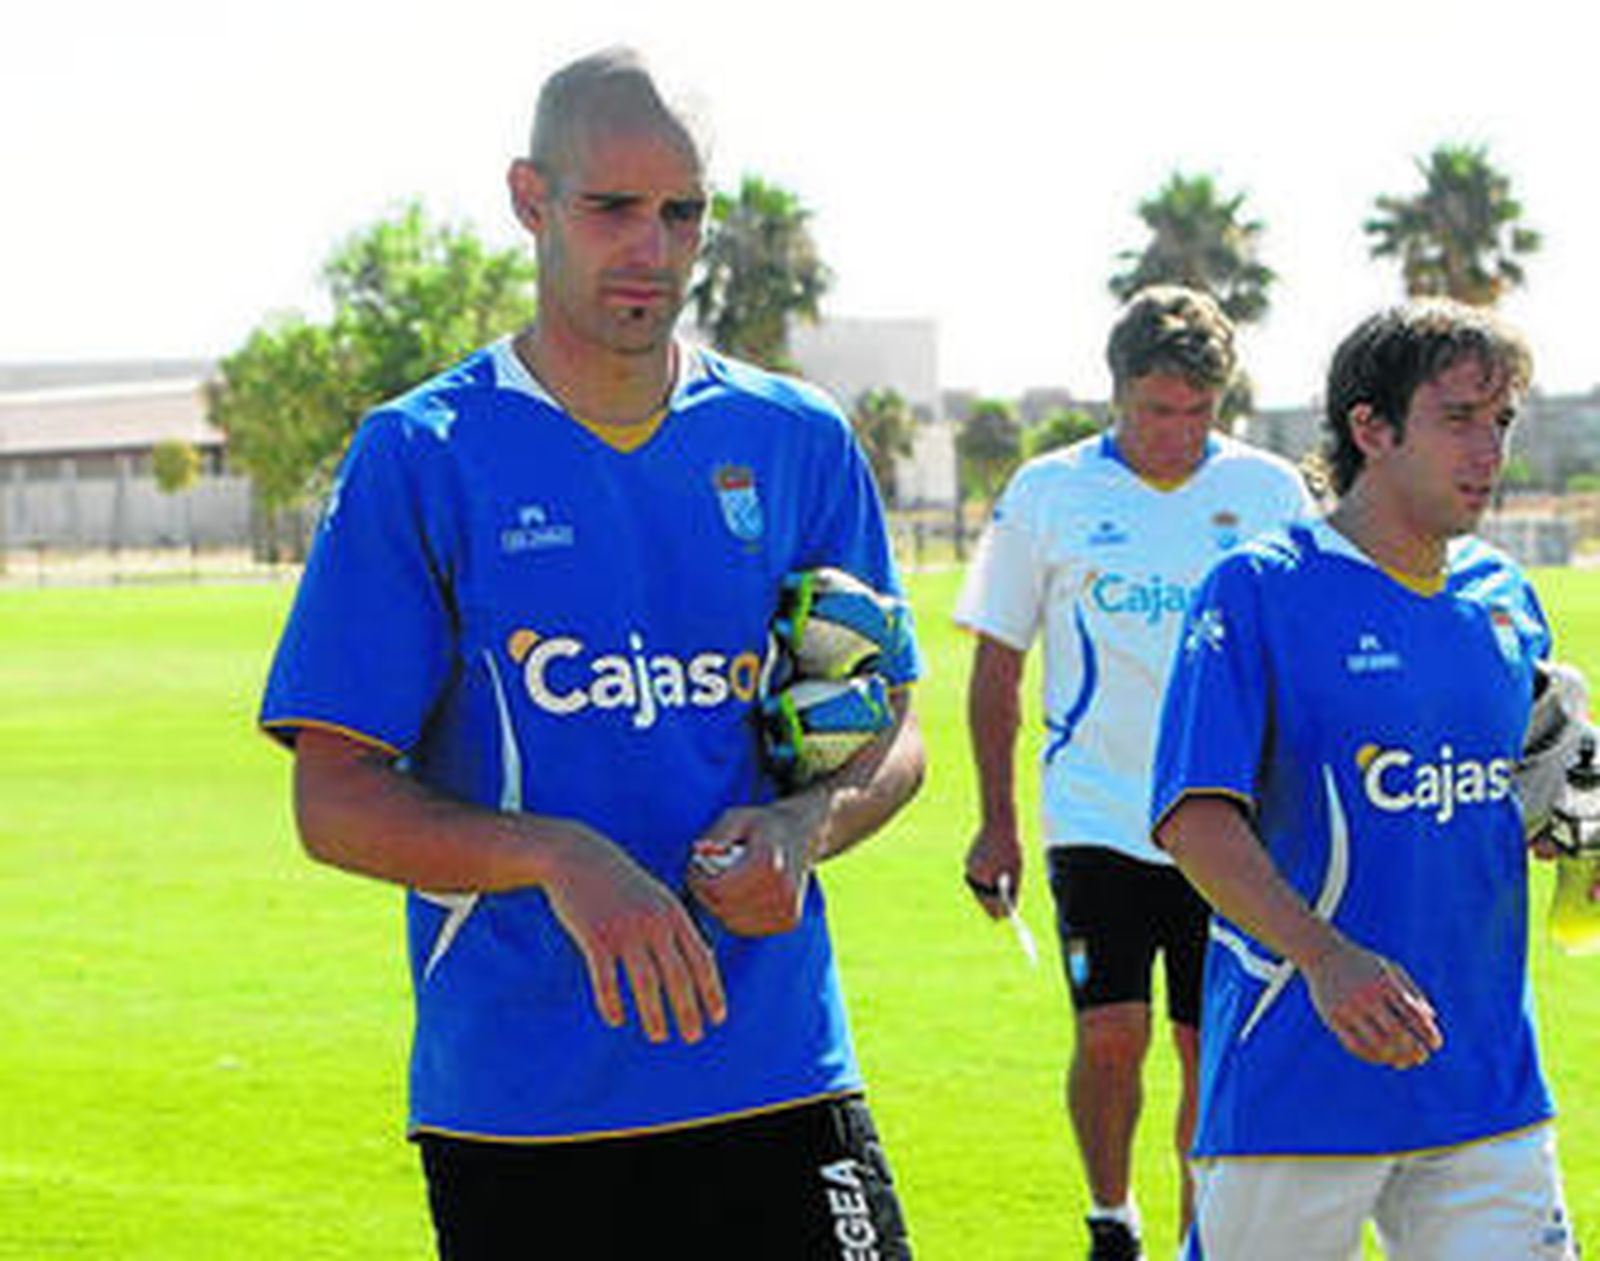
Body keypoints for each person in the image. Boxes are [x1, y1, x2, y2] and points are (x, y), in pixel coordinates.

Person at [258, 48, 924, 1261]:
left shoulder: (797, 443)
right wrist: (559, 858)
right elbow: (333, 798)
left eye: (682, 213)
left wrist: (804, 825)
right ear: (529, 199)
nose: (651, 248)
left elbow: (888, 731)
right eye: (611, 207)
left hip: (778, 1064)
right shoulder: (427, 452)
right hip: (527, 1105)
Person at [1152, 299, 1581, 1260]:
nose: (1490, 451)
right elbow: (1194, 820)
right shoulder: (1257, 588)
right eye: (1459, 418)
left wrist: (1569, 821)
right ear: (1371, 427)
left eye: (1502, 421)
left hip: (1485, 1086)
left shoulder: (1504, 600)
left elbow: (1507, 810)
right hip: (1294, 1083)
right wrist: (1326, 956)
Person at [954, 285, 1315, 1260]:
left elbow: (1308, 656)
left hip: (1231, 827)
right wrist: (997, 821)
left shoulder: (1274, 492)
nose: (1178, 433)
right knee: (1110, 1035)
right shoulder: (1046, 492)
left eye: (1199, 412)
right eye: (1159, 411)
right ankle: (1112, 1218)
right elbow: (996, 665)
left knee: (1209, 1047)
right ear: (1116, 394)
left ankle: (1205, 1233)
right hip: (1095, 818)